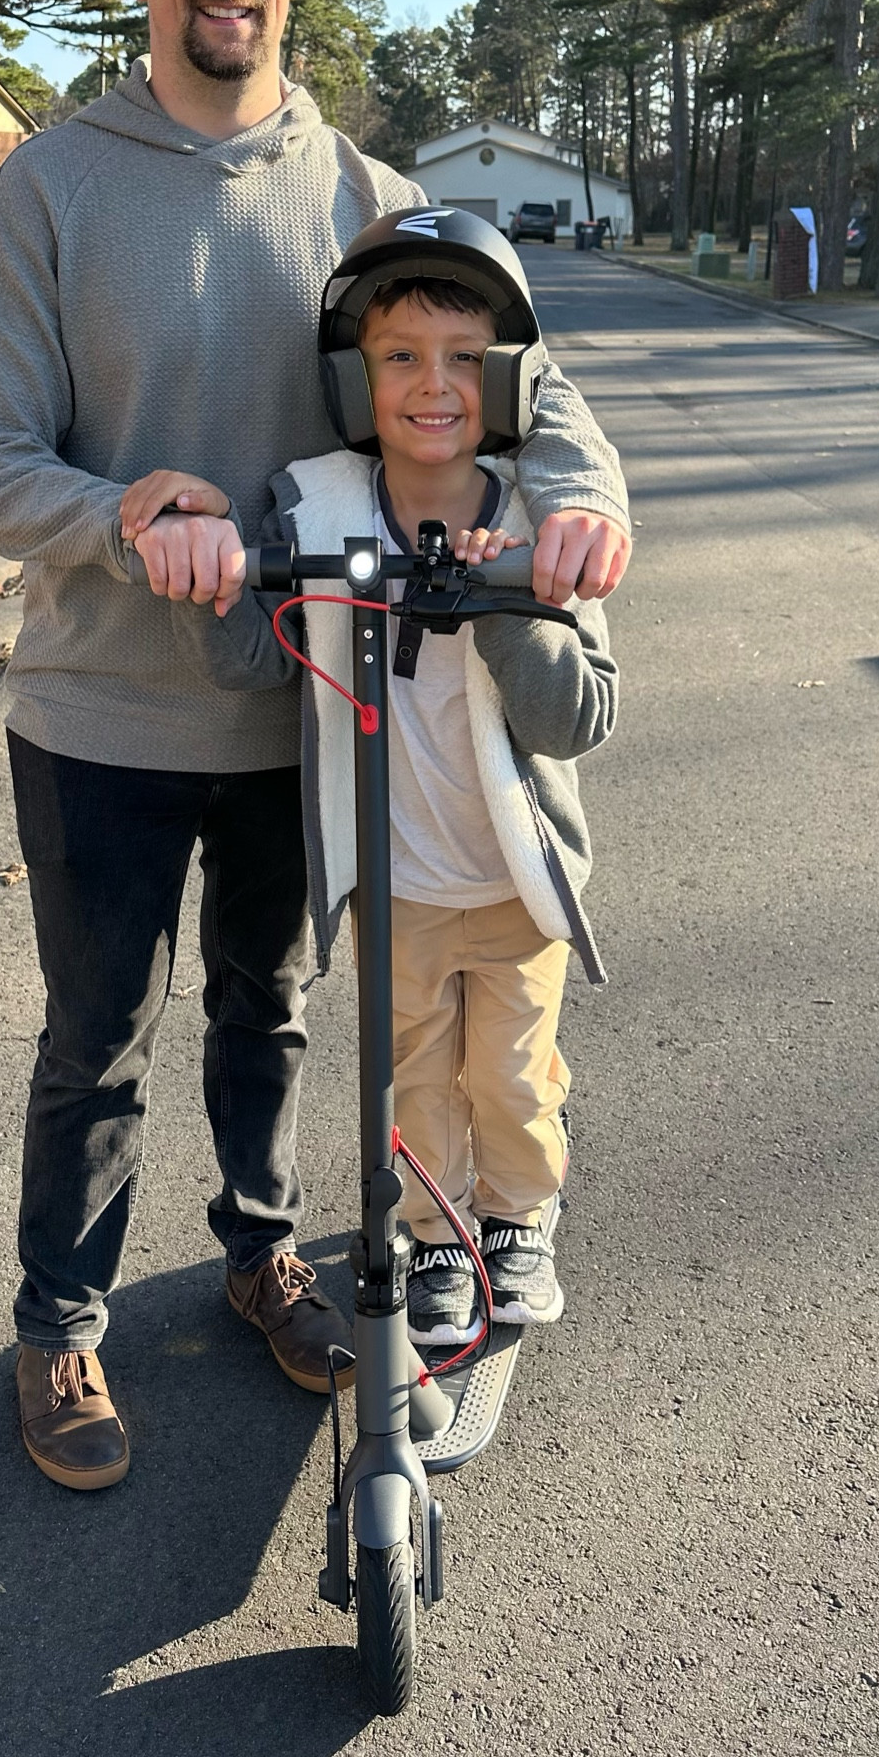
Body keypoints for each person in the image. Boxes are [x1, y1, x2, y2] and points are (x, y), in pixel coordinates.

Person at [0, 0, 632, 1493]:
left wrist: (582, 511)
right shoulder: (50, 189)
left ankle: (260, 1252)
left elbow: (532, 406)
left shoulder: (370, 195)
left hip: (303, 717)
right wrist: (121, 512)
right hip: (98, 709)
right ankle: (60, 1320)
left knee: (276, 1010)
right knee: (98, 1033)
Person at [154, 211, 618, 1344]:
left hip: (514, 885)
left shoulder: (538, 521)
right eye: (401, 356)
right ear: (356, 380)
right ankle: (437, 1226)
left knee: (510, 1079)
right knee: (411, 1084)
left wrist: (514, 603)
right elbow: (261, 656)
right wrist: (218, 591)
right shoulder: (320, 512)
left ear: (505, 380)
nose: (434, 386)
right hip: (395, 883)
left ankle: (517, 1218)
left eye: (465, 360)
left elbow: (581, 716)